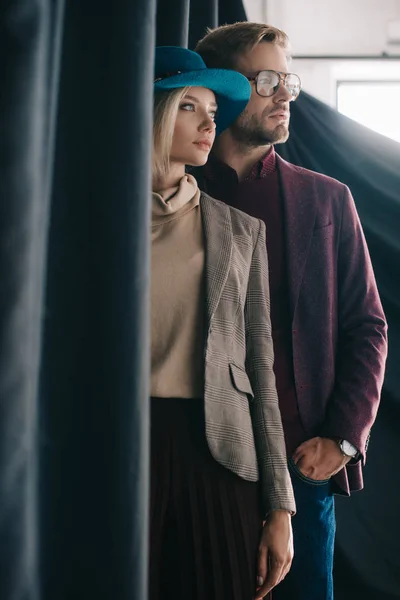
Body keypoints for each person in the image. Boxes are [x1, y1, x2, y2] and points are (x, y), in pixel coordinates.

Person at [194, 23, 388, 600]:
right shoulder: (177, 196)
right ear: (225, 90)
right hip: (198, 463)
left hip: (303, 468)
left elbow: (367, 326)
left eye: (289, 80)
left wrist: (344, 439)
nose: (286, 94)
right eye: (268, 80)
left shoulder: (328, 200)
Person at [149, 46, 296, 600]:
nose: (211, 122)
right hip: (113, 447)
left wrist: (280, 507)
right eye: (191, 106)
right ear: (155, 113)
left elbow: (262, 372)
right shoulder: (91, 224)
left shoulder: (240, 231)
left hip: (219, 454)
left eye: (214, 109)